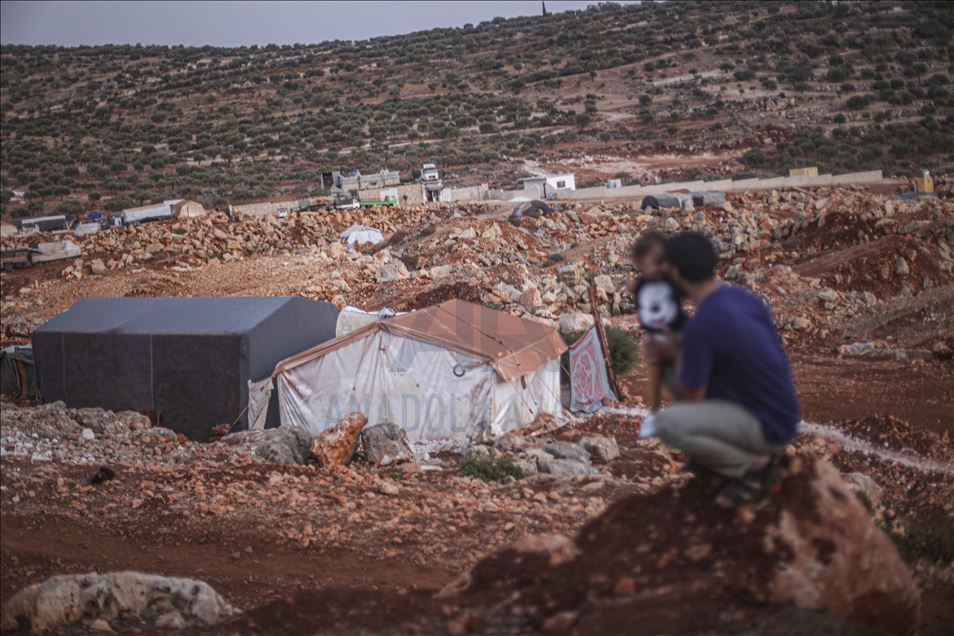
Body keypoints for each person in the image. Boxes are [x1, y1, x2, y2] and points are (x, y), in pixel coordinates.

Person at [644, 231, 800, 506]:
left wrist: (668, 357)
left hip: (766, 428)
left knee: (668, 425)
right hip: (783, 414)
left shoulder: (701, 327)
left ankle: (756, 467)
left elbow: (693, 401)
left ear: (677, 273)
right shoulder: (742, 298)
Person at [628, 230, 686, 411]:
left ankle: (685, 404)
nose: (661, 266)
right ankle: (653, 410)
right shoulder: (642, 283)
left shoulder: (670, 281)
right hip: (654, 336)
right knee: (653, 371)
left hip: (676, 334)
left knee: (680, 373)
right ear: (639, 263)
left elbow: (683, 291)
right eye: (656, 262)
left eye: (664, 261)